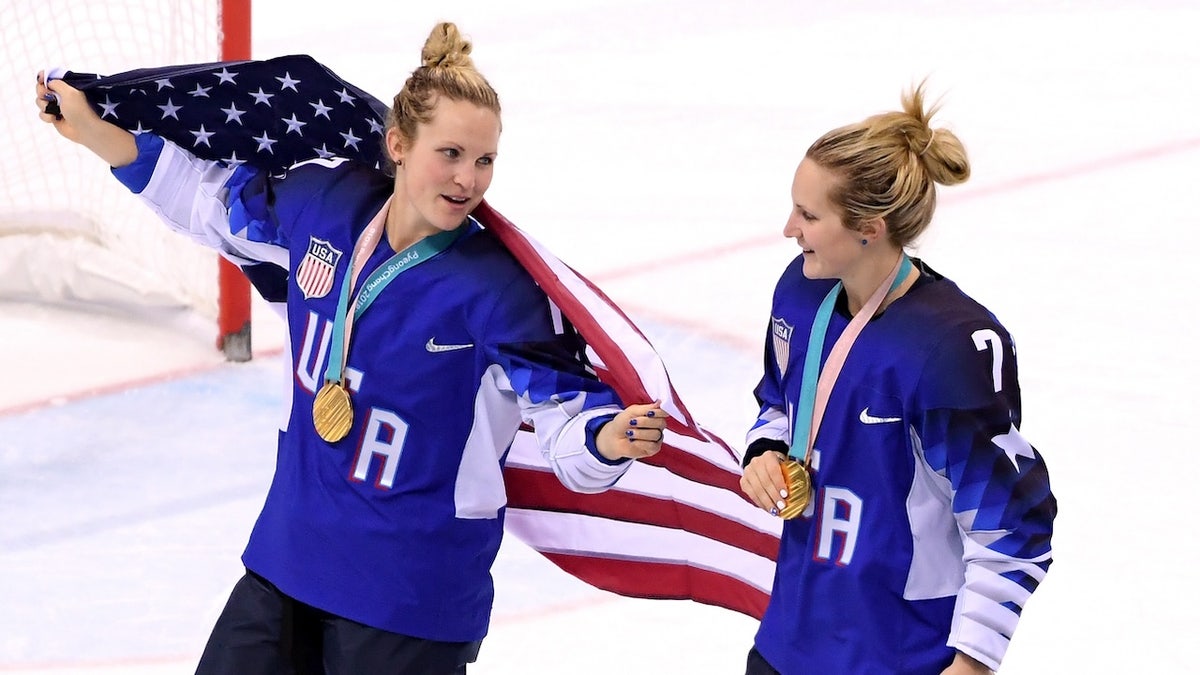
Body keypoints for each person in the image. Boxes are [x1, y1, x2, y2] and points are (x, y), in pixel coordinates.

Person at [36, 22, 669, 675]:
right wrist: (94, 132)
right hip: (291, 561)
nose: (467, 179)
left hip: (409, 602)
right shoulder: (325, 205)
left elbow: (571, 420)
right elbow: (205, 200)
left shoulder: (499, 291)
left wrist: (606, 439)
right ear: (397, 144)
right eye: (449, 154)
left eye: (484, 161)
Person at [737, 83, 1056, 675]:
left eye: (808, 215)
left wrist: (971, 665)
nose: (789, 229)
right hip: (787, 644)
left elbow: (1012, 522)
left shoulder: (949, 346)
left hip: (897, 657)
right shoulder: (801, 292)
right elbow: (779, 400)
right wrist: (765, 449)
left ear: (870, 228)